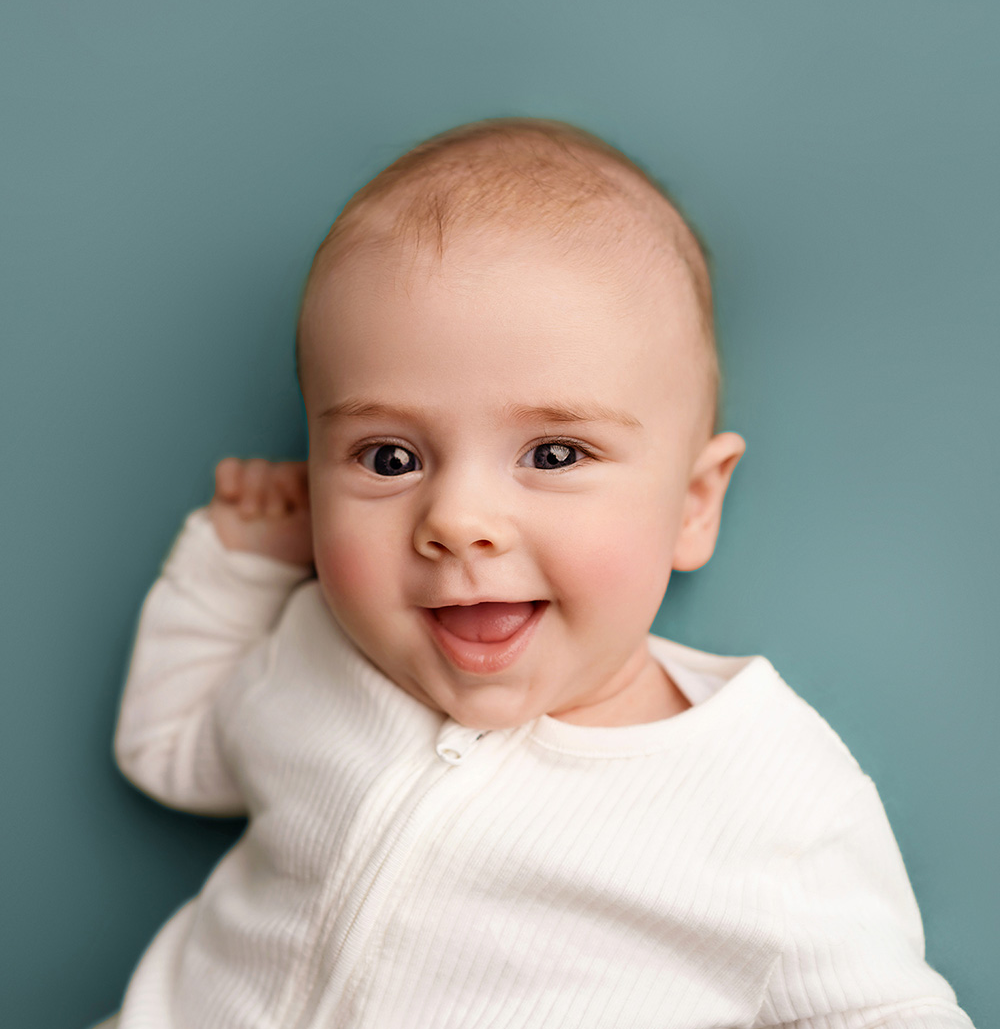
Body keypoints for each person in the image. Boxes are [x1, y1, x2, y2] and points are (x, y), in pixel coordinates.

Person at [98, 119, 975, 1028]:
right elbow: (167, 751)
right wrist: (238, 565)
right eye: (389, 459)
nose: (457, 522)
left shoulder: (769, 799)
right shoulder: (313, 649)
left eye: (554, 453)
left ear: (692, 503)